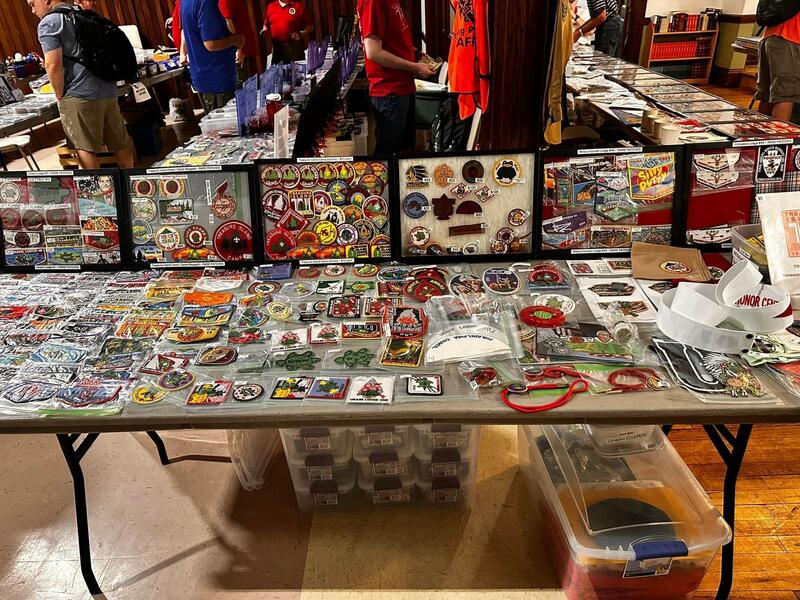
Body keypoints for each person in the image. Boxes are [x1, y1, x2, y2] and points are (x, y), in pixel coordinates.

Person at [27, 0, 134, 169]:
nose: (33, 10)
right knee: (119, 142)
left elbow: (52, 65)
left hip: (79, 93)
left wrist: (59, 95)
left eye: (32, 4)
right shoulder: (82, 13)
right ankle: (130, 180)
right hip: (107, 88)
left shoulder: (49, 23)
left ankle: (94, 185)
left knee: (85, 147)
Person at [356, 0, 435, 155]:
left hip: (402, 87)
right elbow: (373, 52)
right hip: (390, 91)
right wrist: (415, 67)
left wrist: (415, 53)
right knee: (388, 156)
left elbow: (392, 40)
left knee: (404, 154)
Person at [180, 0, 244, 112]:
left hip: (203, 77)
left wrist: (182, 52)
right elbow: (210, 44)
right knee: (226, 122)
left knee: (214, 121)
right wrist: (235, 39)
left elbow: (185, 31)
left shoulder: (185, 1)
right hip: (217, 80)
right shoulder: (206, 3)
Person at [757, 10, 800, 122]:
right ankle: (778, 133)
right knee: (785, 96)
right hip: (791, 37)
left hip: (771, 36)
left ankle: (759, 131)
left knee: (767, 95)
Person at [219, 0, 259, 85]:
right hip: (239, 51)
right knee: (243, 86)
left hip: (245, 48)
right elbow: (228, 23)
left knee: (250, 84)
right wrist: (237, 48)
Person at [262, 0, 314, 65]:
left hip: (294, 48)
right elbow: (266, 24)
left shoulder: (298, 6)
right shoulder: (270, 7)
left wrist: (301, 33)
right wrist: (264, 30)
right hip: (276, 49)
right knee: (277, 71)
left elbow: (310, 26)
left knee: (297, 70)